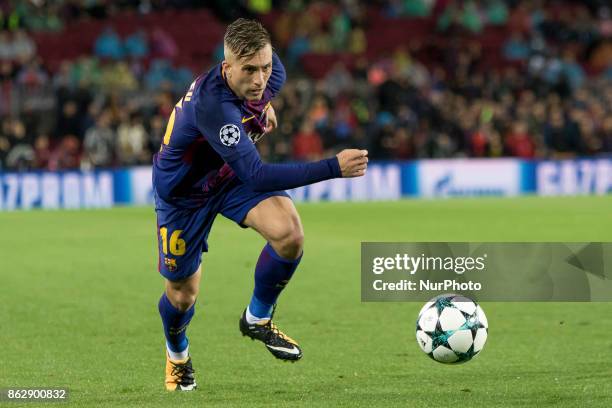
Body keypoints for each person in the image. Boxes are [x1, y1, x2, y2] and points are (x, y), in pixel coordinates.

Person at [153, 18, 368, 392]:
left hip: (226, 176)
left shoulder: (272, 75)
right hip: (183, 196)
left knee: (289, 234)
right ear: (226, 67)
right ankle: (177, 355)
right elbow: (256, 174)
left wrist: (262, 104)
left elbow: (261, 94)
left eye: (265, 67)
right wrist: (333, 166)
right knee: (182, 294)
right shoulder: (212, 106)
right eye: (249, 70)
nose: (260, 79)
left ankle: (257, 319)